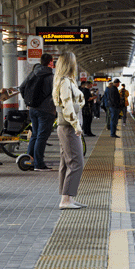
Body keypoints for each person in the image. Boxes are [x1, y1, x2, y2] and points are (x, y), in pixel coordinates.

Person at [52, 52, 87, 209]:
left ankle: (68, 198)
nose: (76, 65)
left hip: (65, 127)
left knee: (66, 163)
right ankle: (66, 200)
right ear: (70, 64)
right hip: (69, 127)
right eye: (74, 61)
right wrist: (77, 126)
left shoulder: (63, 81)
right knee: (76, 162)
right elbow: (67, 106)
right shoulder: (65, 82)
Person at [20, 54, 55, 171]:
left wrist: (28, 101)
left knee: (35, 135)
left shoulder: (33, 73)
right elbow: (56, 94)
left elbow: (22, 87)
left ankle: (28, 161)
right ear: (50, 62)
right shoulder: (51, 76)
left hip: (33, 109)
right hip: (46, 110)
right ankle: (39, 164)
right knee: (41, 137)